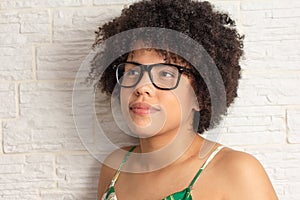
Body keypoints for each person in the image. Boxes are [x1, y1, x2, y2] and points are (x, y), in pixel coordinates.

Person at [90, 0, 278, 199]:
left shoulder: (236, 172)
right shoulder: (115, 169)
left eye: (166, 74)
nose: (141, 87)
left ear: (201, 95)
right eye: (133, 71)